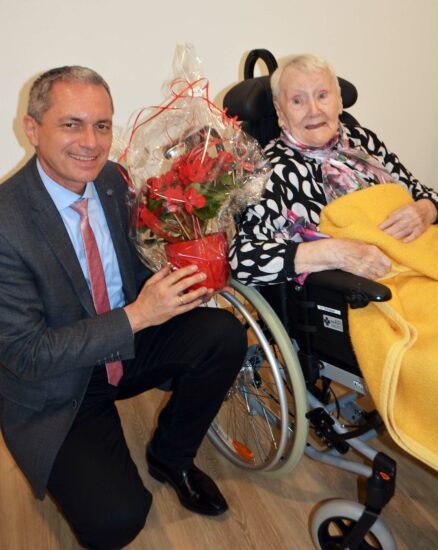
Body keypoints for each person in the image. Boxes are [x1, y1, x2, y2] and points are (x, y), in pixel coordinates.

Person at [0, 66, 247, 550]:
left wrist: (187, 274)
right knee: (117, 521)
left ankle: (171, 456)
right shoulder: (7, 223)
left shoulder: (113, 179)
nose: (91, 142)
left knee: (222, 334)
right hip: (60, 384)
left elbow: (132, 267)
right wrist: (140, 315)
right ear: (32, 128)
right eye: (71, 124)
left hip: (127, 344)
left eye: (102, 125)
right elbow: (25, 355)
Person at [229, 53, 438, 285]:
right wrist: (333, 253)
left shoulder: (363, 140)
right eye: (298, 101)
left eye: (322, 96)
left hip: (420, 264)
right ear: (280, 111)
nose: (314, 110)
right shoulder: (273, 170)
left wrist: (426, 209)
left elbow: (424, 194)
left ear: (338, 101)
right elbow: (243, 259)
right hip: (367, 290)